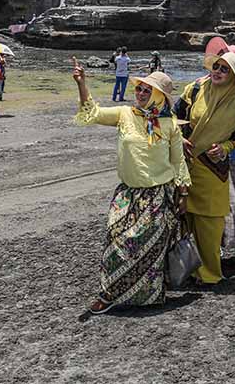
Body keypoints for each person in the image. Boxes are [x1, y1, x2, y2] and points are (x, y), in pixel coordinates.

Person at [73, 62, 189, 314]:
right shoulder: (124, 113)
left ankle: (147, 297)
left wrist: (183, 194)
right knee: (116, 241)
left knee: (149, 250)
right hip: (127, 195)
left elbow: (178, 161)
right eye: (139, 88)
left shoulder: (170, 125)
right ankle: (108, 293)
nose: (141, 93)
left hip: (158, 196)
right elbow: (92, 113)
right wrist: (82, 84)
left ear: (160, 96)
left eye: (148, 90)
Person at [173, 51, 235, 285]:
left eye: (224, 69)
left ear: (234, 76)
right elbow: (173, 116)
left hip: (212, 171)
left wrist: (224, 148)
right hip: (184, 164)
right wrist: (178, 137)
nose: (217, 72)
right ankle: (183, 270)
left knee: (210, 224)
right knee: (182, 219)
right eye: (216, 66)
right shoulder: (195, 89)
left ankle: (209, 275)